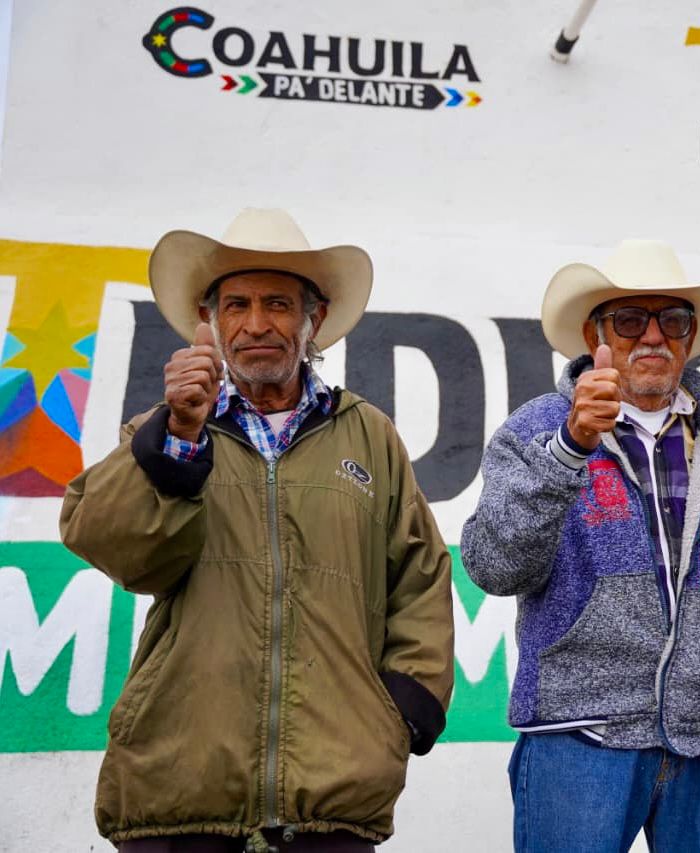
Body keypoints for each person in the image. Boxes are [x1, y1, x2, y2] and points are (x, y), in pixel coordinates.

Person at [59, 209, 454, 852]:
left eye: (278, 303)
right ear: (210, 324)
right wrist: (181, 437)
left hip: (333, 797)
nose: (258, 323)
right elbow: (110, 545)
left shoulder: (369, 434)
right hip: (179, 785)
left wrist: (397, 712)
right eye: (237, 304)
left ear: (313, 320)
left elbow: (420, 578)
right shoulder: (163, 430)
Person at [461, 239, 700, 853]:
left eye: (673, 320)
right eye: (630, 320)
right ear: (594, 335)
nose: (653, 337)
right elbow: (493, 566)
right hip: (577, 736)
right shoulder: (536, 430)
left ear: (691, 338)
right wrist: (569, 447)